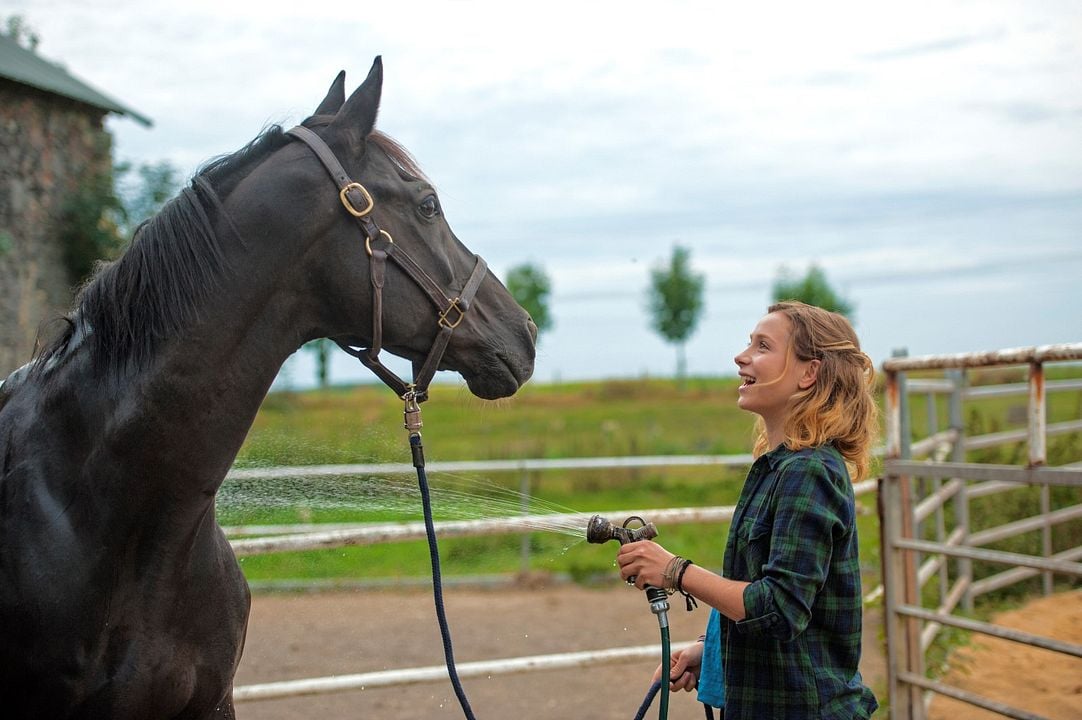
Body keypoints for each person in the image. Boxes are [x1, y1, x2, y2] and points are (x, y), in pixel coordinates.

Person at [616, 301, 879, 719]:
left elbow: (779, 607)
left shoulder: (809, 472)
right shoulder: (777, 468)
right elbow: (765, 592)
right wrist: (713, 651)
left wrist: (675, 571)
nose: (742, 357)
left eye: (762, 346)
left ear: (809, 373)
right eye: (749, 344)